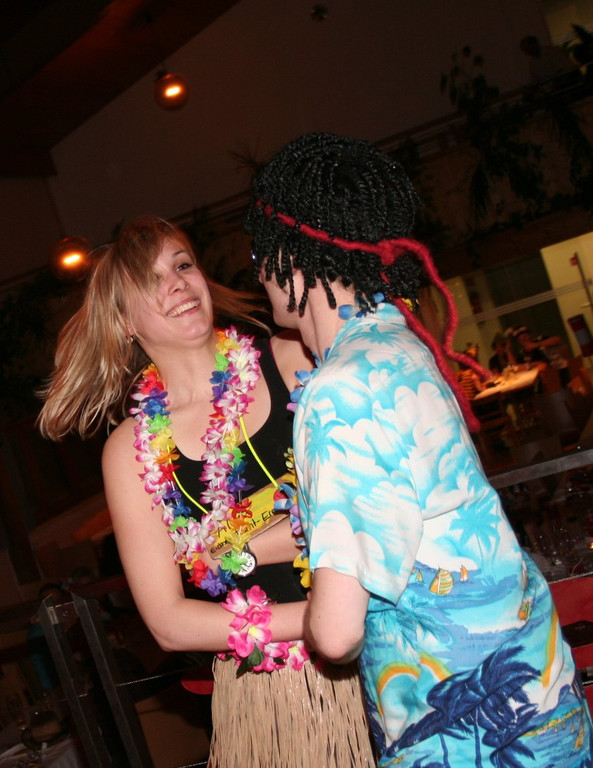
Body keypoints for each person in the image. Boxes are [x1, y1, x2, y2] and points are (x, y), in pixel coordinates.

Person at [245, 132, 593, 767]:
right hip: (539, 694)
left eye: (257, 253)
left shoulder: (339, 391)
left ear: (287, 255)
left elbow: (336, 632)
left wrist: (253, 621)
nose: (257, 272)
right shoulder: (397, 339)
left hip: (468, 735)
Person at [38, 215, 375, 768]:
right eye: (150, 281)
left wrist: (245, 550)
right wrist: (322, 621)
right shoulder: (128, 452)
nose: (175, 283)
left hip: (386, 643)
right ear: (123, 322)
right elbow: (169, 623)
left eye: (182, 264)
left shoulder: (296, 358)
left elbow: (376, 500)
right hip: (276, 700)